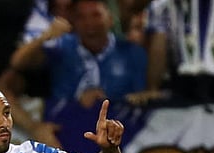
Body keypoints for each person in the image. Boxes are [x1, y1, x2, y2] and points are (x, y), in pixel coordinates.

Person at [9, 0, 147, 108]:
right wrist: (45, 36)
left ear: (110, 19)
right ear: (74, 23)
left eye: (96, 15)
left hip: (119, 128)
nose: (89, 23)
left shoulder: (133, 52)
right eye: (81, 17)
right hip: (64, 126)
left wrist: (110, 101)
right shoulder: (61, 46)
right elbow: (18, 62)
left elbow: (141, 98)